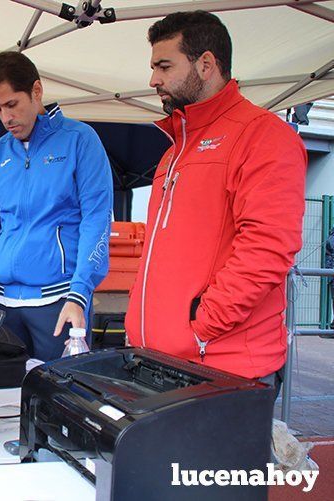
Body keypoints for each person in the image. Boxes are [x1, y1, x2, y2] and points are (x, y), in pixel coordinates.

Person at [124, 11, 307, 394]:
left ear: (206, 64)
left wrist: (201, 326)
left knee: (205, 459)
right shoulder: (175, 149)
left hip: (221, 369)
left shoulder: (263, 136)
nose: (153, 80)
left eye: (164, 66)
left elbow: (268, 248)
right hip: (163, 361)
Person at [0, 51, 113, 361]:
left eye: (11, 104)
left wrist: (80, 292)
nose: (6, 118)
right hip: (1, 302)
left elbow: (96, 220)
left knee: (57, 400)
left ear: (36, 91)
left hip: (60, 302)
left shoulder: (80, 140)